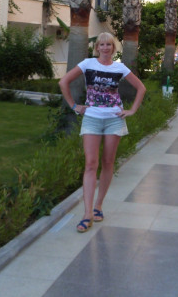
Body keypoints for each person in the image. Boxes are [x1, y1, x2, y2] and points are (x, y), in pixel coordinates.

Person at [59, 32, 146, 233]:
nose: (105, 48)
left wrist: (132, 110)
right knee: (91, 164)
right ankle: (87, 213)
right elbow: (63, 82)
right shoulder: (88, 64)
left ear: (113, 48)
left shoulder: (119, 67)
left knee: (108, 162)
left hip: (114, 119)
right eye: (102, 44)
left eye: (109, 45)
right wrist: (74, 106)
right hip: (92, 118)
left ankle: (98, 206)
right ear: (97, 47)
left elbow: (141, 88)